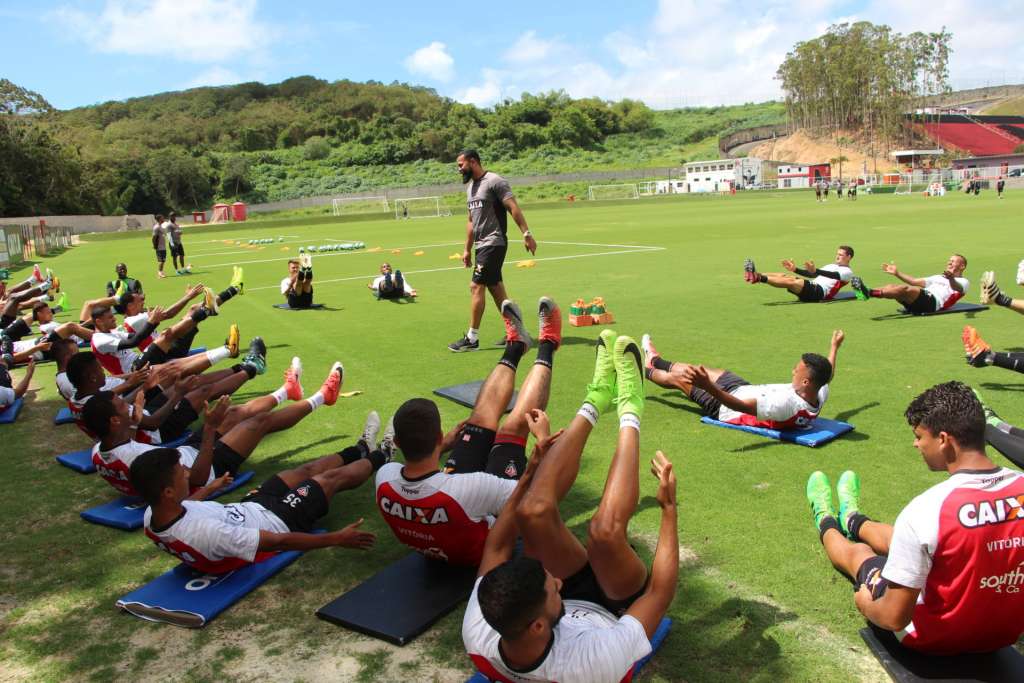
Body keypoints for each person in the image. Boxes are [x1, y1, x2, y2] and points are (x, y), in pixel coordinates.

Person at [462, 332, 680, 683]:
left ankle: (596, 399)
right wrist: (669, 509)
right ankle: (630, 408)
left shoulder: (480, 630)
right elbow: (660, 592)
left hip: (554, 614)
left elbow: (498, 545)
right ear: (537, 625)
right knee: (604, 533)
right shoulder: (591, 664)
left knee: (531, 510)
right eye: (551, 585)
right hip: (615, 606)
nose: (557, 581)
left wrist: (530, 472)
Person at [805, 382, 1024, 654]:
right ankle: (852, 518)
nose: (916, 444)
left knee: (861, 555)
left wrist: (865, 603)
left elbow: (893, 617)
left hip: (929, 640)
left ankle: (825, 519)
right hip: (1002, 636)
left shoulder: (928, 508)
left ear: (943, 440)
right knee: (915, 541)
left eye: (920, 436)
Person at [376, 297, 561, 565]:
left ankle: (516, 346)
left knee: (480, 420)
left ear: (397, 443)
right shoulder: (471, 487)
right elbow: (528, 497)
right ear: (439, 437)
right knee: (514, 427)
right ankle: (549, 344)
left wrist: (442, 448)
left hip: (448, 497)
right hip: (486, 541)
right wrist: (540, 451)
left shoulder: (385, 478)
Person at [130, 394, 385, 574]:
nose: (187, 474)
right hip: (279, 519)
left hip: (250, 507)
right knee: (327, 480)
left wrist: (210, 488)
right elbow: (277, 542)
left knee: (304, 470)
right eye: (181, 474)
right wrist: (336, 538)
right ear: (168, 492)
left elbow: (189, 504)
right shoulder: (208, 534)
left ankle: (361, 448)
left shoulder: (153, 513)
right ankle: (384, 454)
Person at [84, 358, 343, 499]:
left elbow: (128, 451)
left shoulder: (101, 450)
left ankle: (288, 390)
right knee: (258, 423)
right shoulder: (136, 459)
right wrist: (208, 431)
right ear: (114, 422)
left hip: (189, 451)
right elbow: (194, 479)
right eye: (122, 406)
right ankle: (324, 396)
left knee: (233, 413)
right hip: (207, 467)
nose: (127, 405)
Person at [641, 330, 843, 430]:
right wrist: (834, 347)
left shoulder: (785, 405)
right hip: (744, 387)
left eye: (796, 371)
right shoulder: (819, 390)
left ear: (806, 382)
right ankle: (656, 360)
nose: (792, 371)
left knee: (680, 380)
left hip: (724, 406)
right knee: (700, 369)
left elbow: (739, 406)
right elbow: (829, 374)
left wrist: (707, 386)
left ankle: (643, 370)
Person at [448, 149, 537, 352]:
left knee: (476, 285)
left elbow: (513, 207)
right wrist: (467, 249)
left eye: (461, 165)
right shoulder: (470, 189)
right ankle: (517, 332)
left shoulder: (495, 181)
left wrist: (526, 234)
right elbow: (471, 221)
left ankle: (472, 339)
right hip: (481, 245)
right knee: (495, 288)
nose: (459, 169)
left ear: (473, 161)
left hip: (494, 242)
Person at [850, 254, 969, 315]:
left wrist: (951, 279)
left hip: (934, 303)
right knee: (892, 286)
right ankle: (865, 292)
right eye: (949, 260)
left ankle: (868, 293)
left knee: (905, 289)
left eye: (953, 261)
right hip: (921, 301)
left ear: (962, 266)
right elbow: (914, 281)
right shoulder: (938, 277)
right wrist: (897, 273)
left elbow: (957, 288)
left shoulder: (964, 282)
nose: (949, 262)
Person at [743, 246, 855, 302]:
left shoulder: (847, 272)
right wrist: (795, 269)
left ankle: (758, 278)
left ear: (849, 257)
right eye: (837, 254)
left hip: (820, 293)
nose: (837, 256)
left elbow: (833, 275)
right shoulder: (831, 265)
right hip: (812, 286)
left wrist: (816, 270)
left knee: (791, 282)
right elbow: (812, 275)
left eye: (841, 255)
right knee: (784, 276)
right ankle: (754, 274)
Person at [152, 214, 167, 279]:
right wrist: (154, 245)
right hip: (159, 247)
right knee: (161, 260)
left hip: (163, 246)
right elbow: (154, 237)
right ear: (159, 219)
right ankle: (160, 273)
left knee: (163, 260)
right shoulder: (156, 227)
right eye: (162, 218)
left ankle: (161, 271)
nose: (163, 218)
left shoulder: (161, 226)